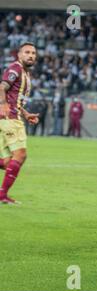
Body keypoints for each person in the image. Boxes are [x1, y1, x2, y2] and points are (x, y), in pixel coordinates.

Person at [0, 42, 40, 204]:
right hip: (10, 119)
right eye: (27, 52)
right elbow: (2, 87)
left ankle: (2, 195)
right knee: (20, 155)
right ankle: (2, 196)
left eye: (33, 53)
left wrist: (26, 113)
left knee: (9, 162)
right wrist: (3, 104)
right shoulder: (15, 68)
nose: (31, 55)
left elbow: (16, 99)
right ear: (19, 55)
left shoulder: (25, 73)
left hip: (10, 117)